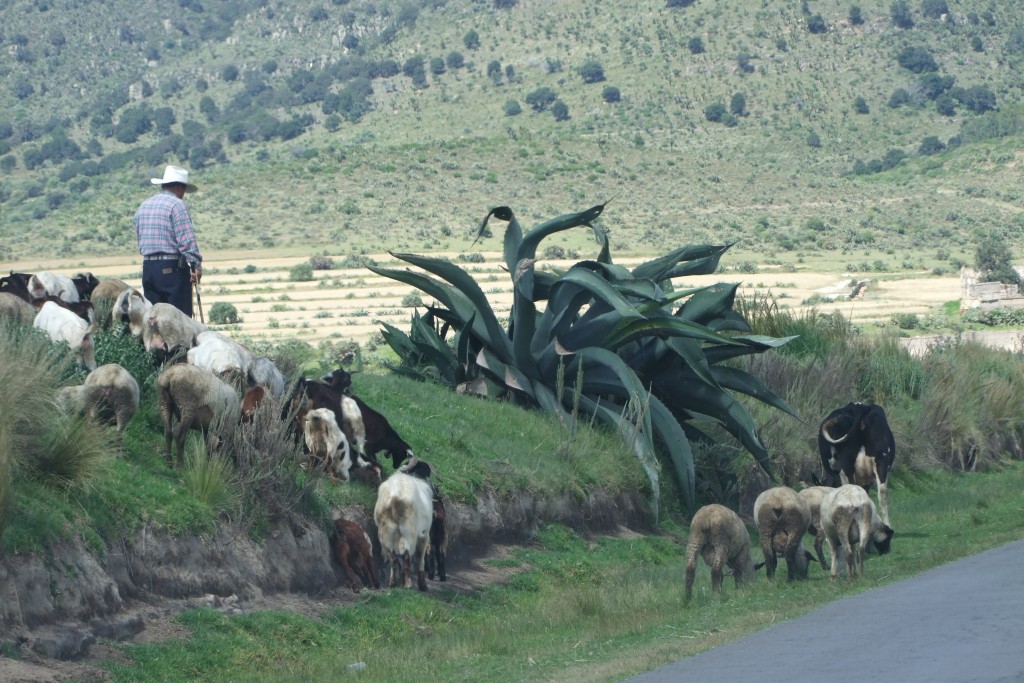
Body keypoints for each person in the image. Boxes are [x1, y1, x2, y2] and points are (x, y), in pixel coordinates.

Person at [134, 164, 203, 317]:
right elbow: (187, 241)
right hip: (171, 271)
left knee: (154, 319)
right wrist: (196, 265)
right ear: (179, 188)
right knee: (179, 320)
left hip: (149, 269)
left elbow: (140, 239)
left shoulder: (144, 206)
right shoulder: (177, 205)